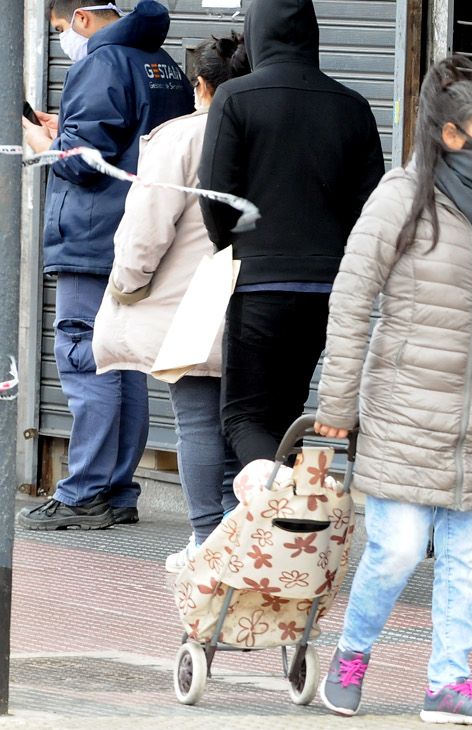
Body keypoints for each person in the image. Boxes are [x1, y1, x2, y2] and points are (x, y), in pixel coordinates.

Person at [312, 56, 472, 726]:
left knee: (467, 563)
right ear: (450, 136)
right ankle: (352, 654)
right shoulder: (399, 196)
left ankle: (449, 685)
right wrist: (336, 407)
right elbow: (352, 300)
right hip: (405, 413)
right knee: (399, 552)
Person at [18, 0, 193, 531]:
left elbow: (86, 163)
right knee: (124, 362)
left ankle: (83, 492)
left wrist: (45, 142)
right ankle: (116, 490)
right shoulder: (164, 64)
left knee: (84, 357)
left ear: (81, 18)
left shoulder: (100, 62)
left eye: (58, 29)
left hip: (93, 236)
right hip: (139, 235)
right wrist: (66, 128)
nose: (64, 41)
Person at [198, 0, 384, 467]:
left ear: (256, 33)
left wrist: (233, 248)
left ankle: (278, 517)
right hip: (328, 288)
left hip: (259, 281)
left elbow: (215, 196)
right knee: (285, 414)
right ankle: (285, 528)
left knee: (243, 418)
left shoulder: (236, 97)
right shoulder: (353, 105)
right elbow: (373, 208)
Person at [90, 33, 249, 568]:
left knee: (198, 422)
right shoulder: (269, 128)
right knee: (244, 424)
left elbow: (145, 227)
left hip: (196, 298)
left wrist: (126, 285)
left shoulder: (182, 137)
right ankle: (239, 531)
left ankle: (207, 539)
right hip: (260, 295)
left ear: (200, 85)